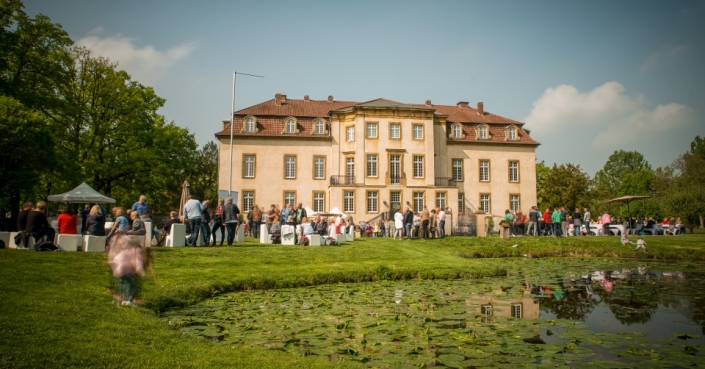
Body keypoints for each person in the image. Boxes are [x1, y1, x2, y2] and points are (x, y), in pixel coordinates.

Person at [109, 233, 145, 306]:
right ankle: (128, 300)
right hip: (125, 270)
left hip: (117, 269)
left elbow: (117, 258)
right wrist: (140, 271)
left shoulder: (124, 250)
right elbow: (138, 261)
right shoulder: (136, 250)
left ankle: (117, 299)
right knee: (129, 285)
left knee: (121, 284)